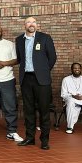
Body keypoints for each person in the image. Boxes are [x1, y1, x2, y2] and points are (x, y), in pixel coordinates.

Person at [16, 17, 57, 150]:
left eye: (33, 22)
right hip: (26, 79)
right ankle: (30, 138)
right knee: (29, 110)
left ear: (37, 25)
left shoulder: (45, 38)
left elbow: (52, 58)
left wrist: (42, 71)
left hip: (42, 80)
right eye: (28, 22)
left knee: (44, 110)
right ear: (25, 25)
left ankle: (44, 140)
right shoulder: (19, 40)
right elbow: (19, 58)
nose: (31, 24)